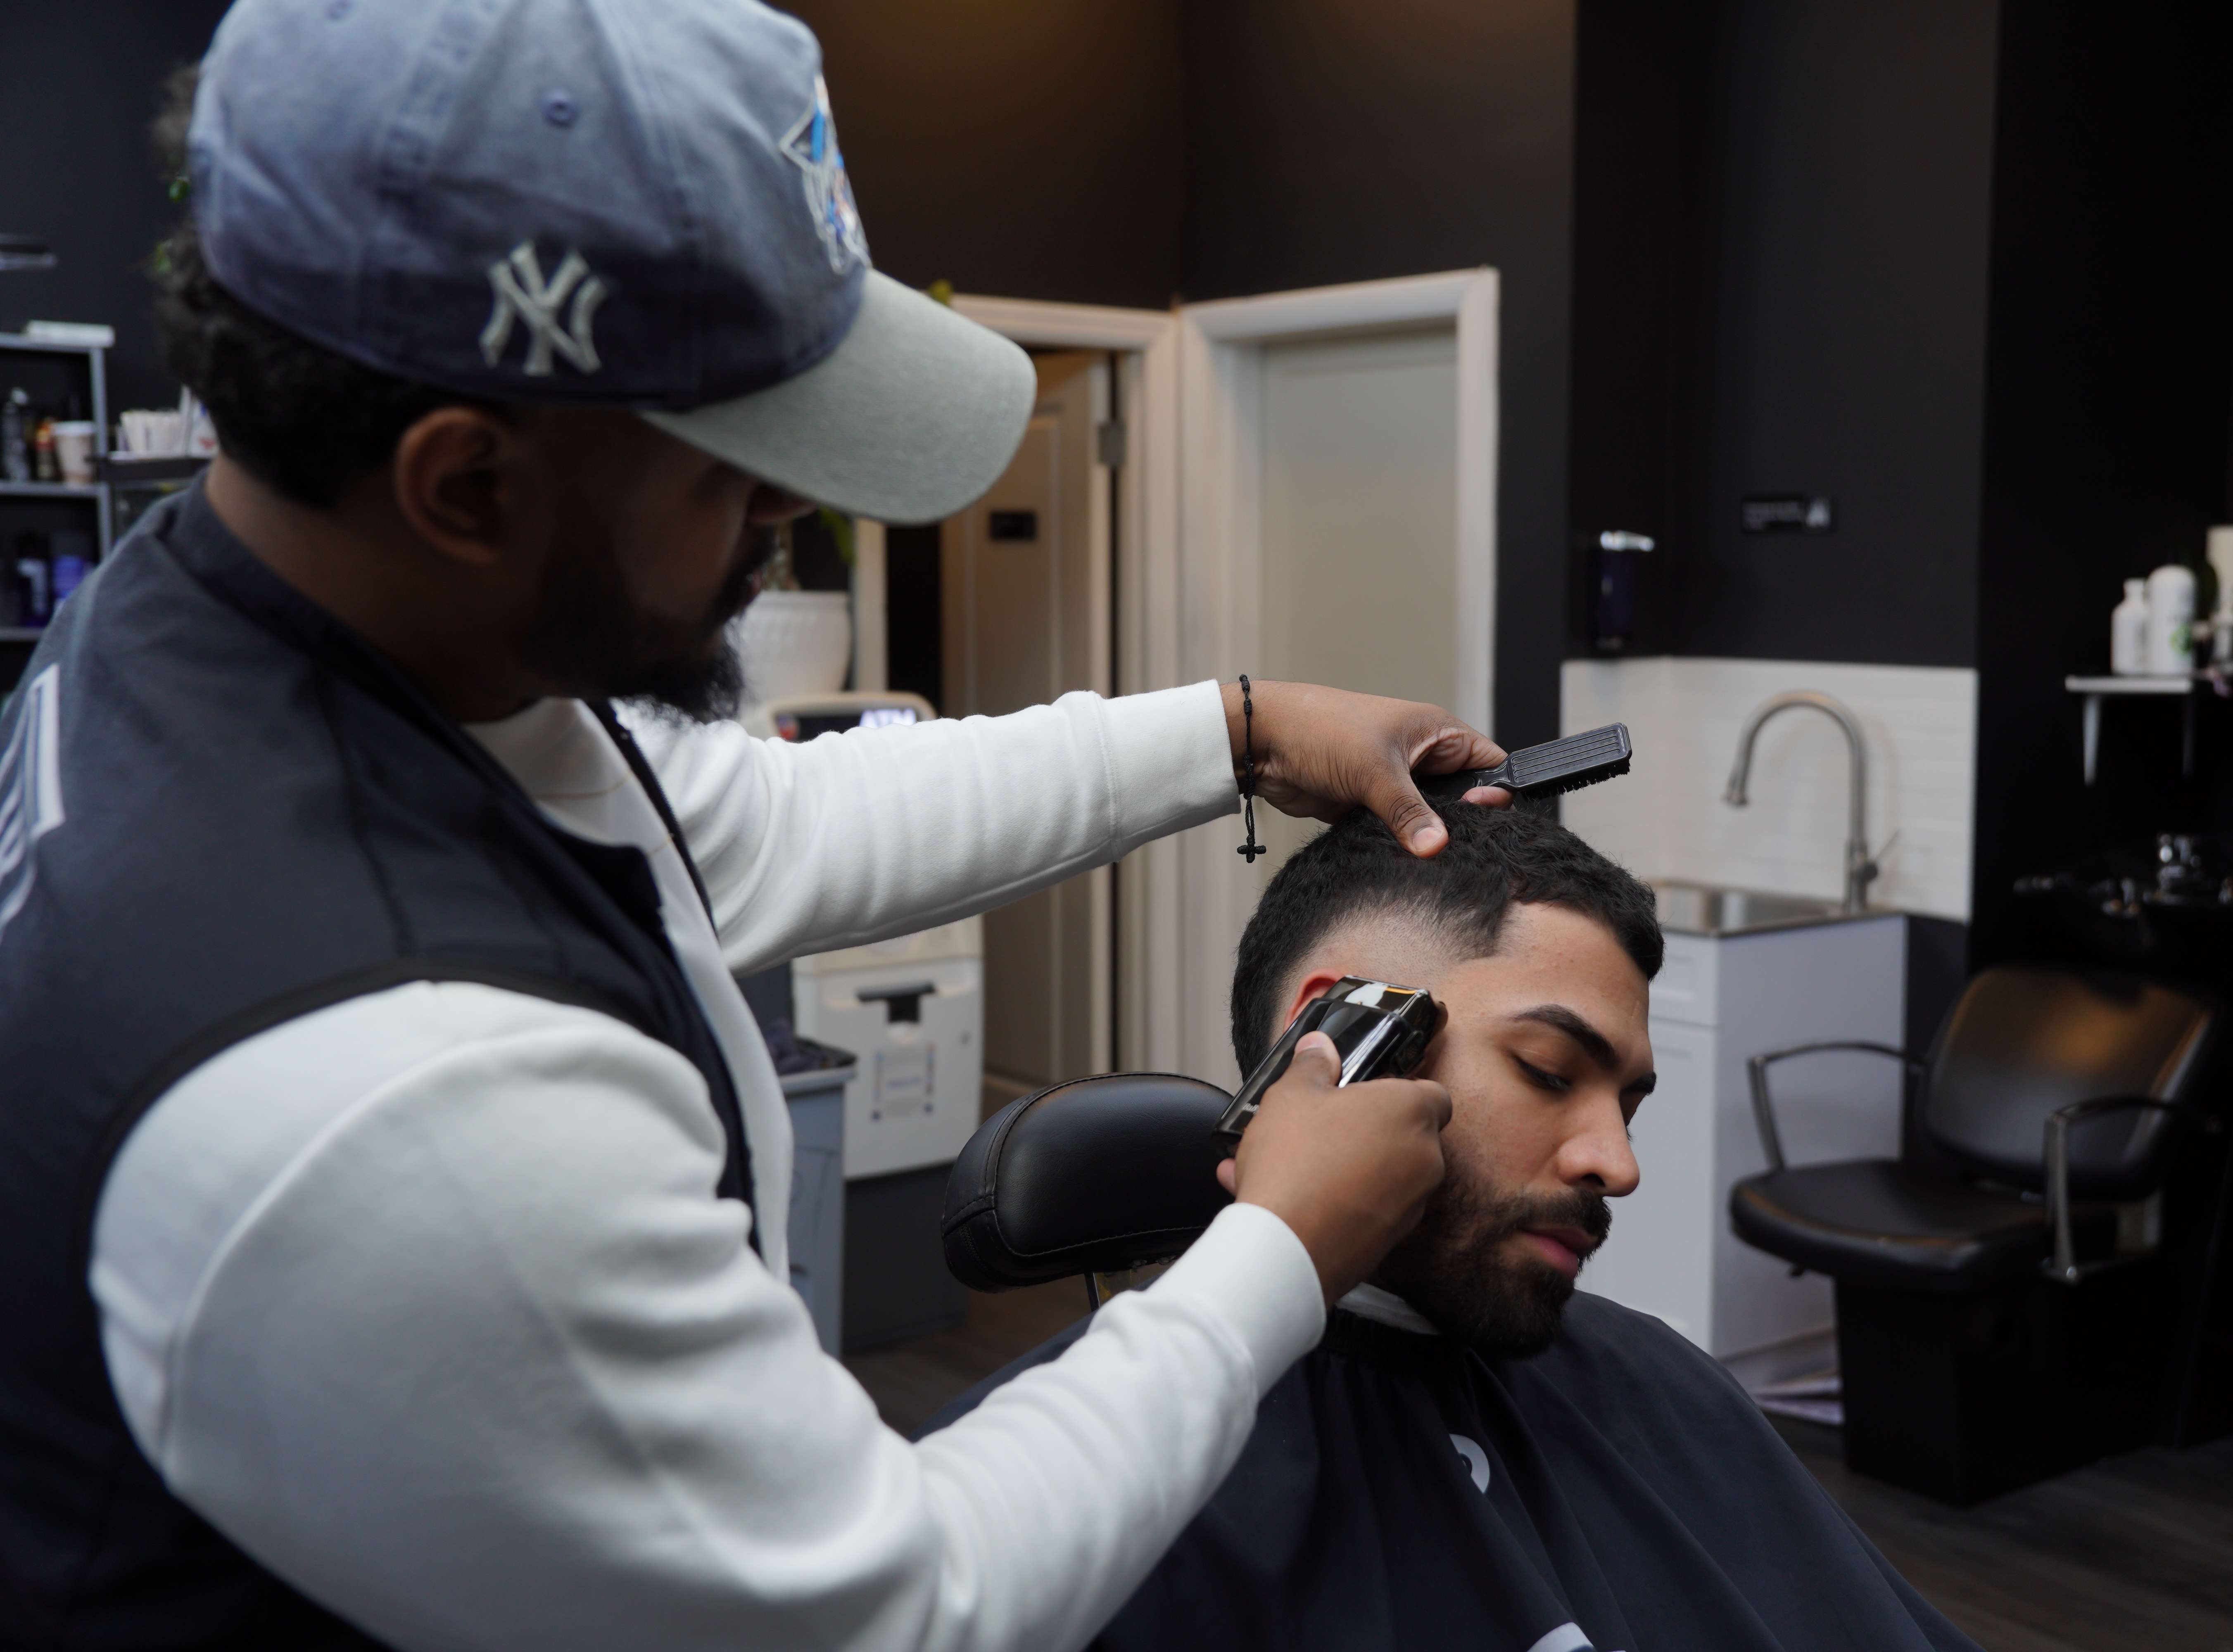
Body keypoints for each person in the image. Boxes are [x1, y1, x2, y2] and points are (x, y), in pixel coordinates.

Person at [0, 3, 1494, 1647]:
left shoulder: (254, 615)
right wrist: (1280, 1245)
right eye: (742, 463)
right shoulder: (409, 1108)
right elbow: (906, 1610)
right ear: (467, 484)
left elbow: (747, 825)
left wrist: (1240, 730)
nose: (794, 509)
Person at [927, 802, 1981, 1652]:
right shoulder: (1007, 1515)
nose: (1617, 1163)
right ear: (1335, 1038)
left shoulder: (1660, 1384)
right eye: (1548, 1071)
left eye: (1628, 1104)